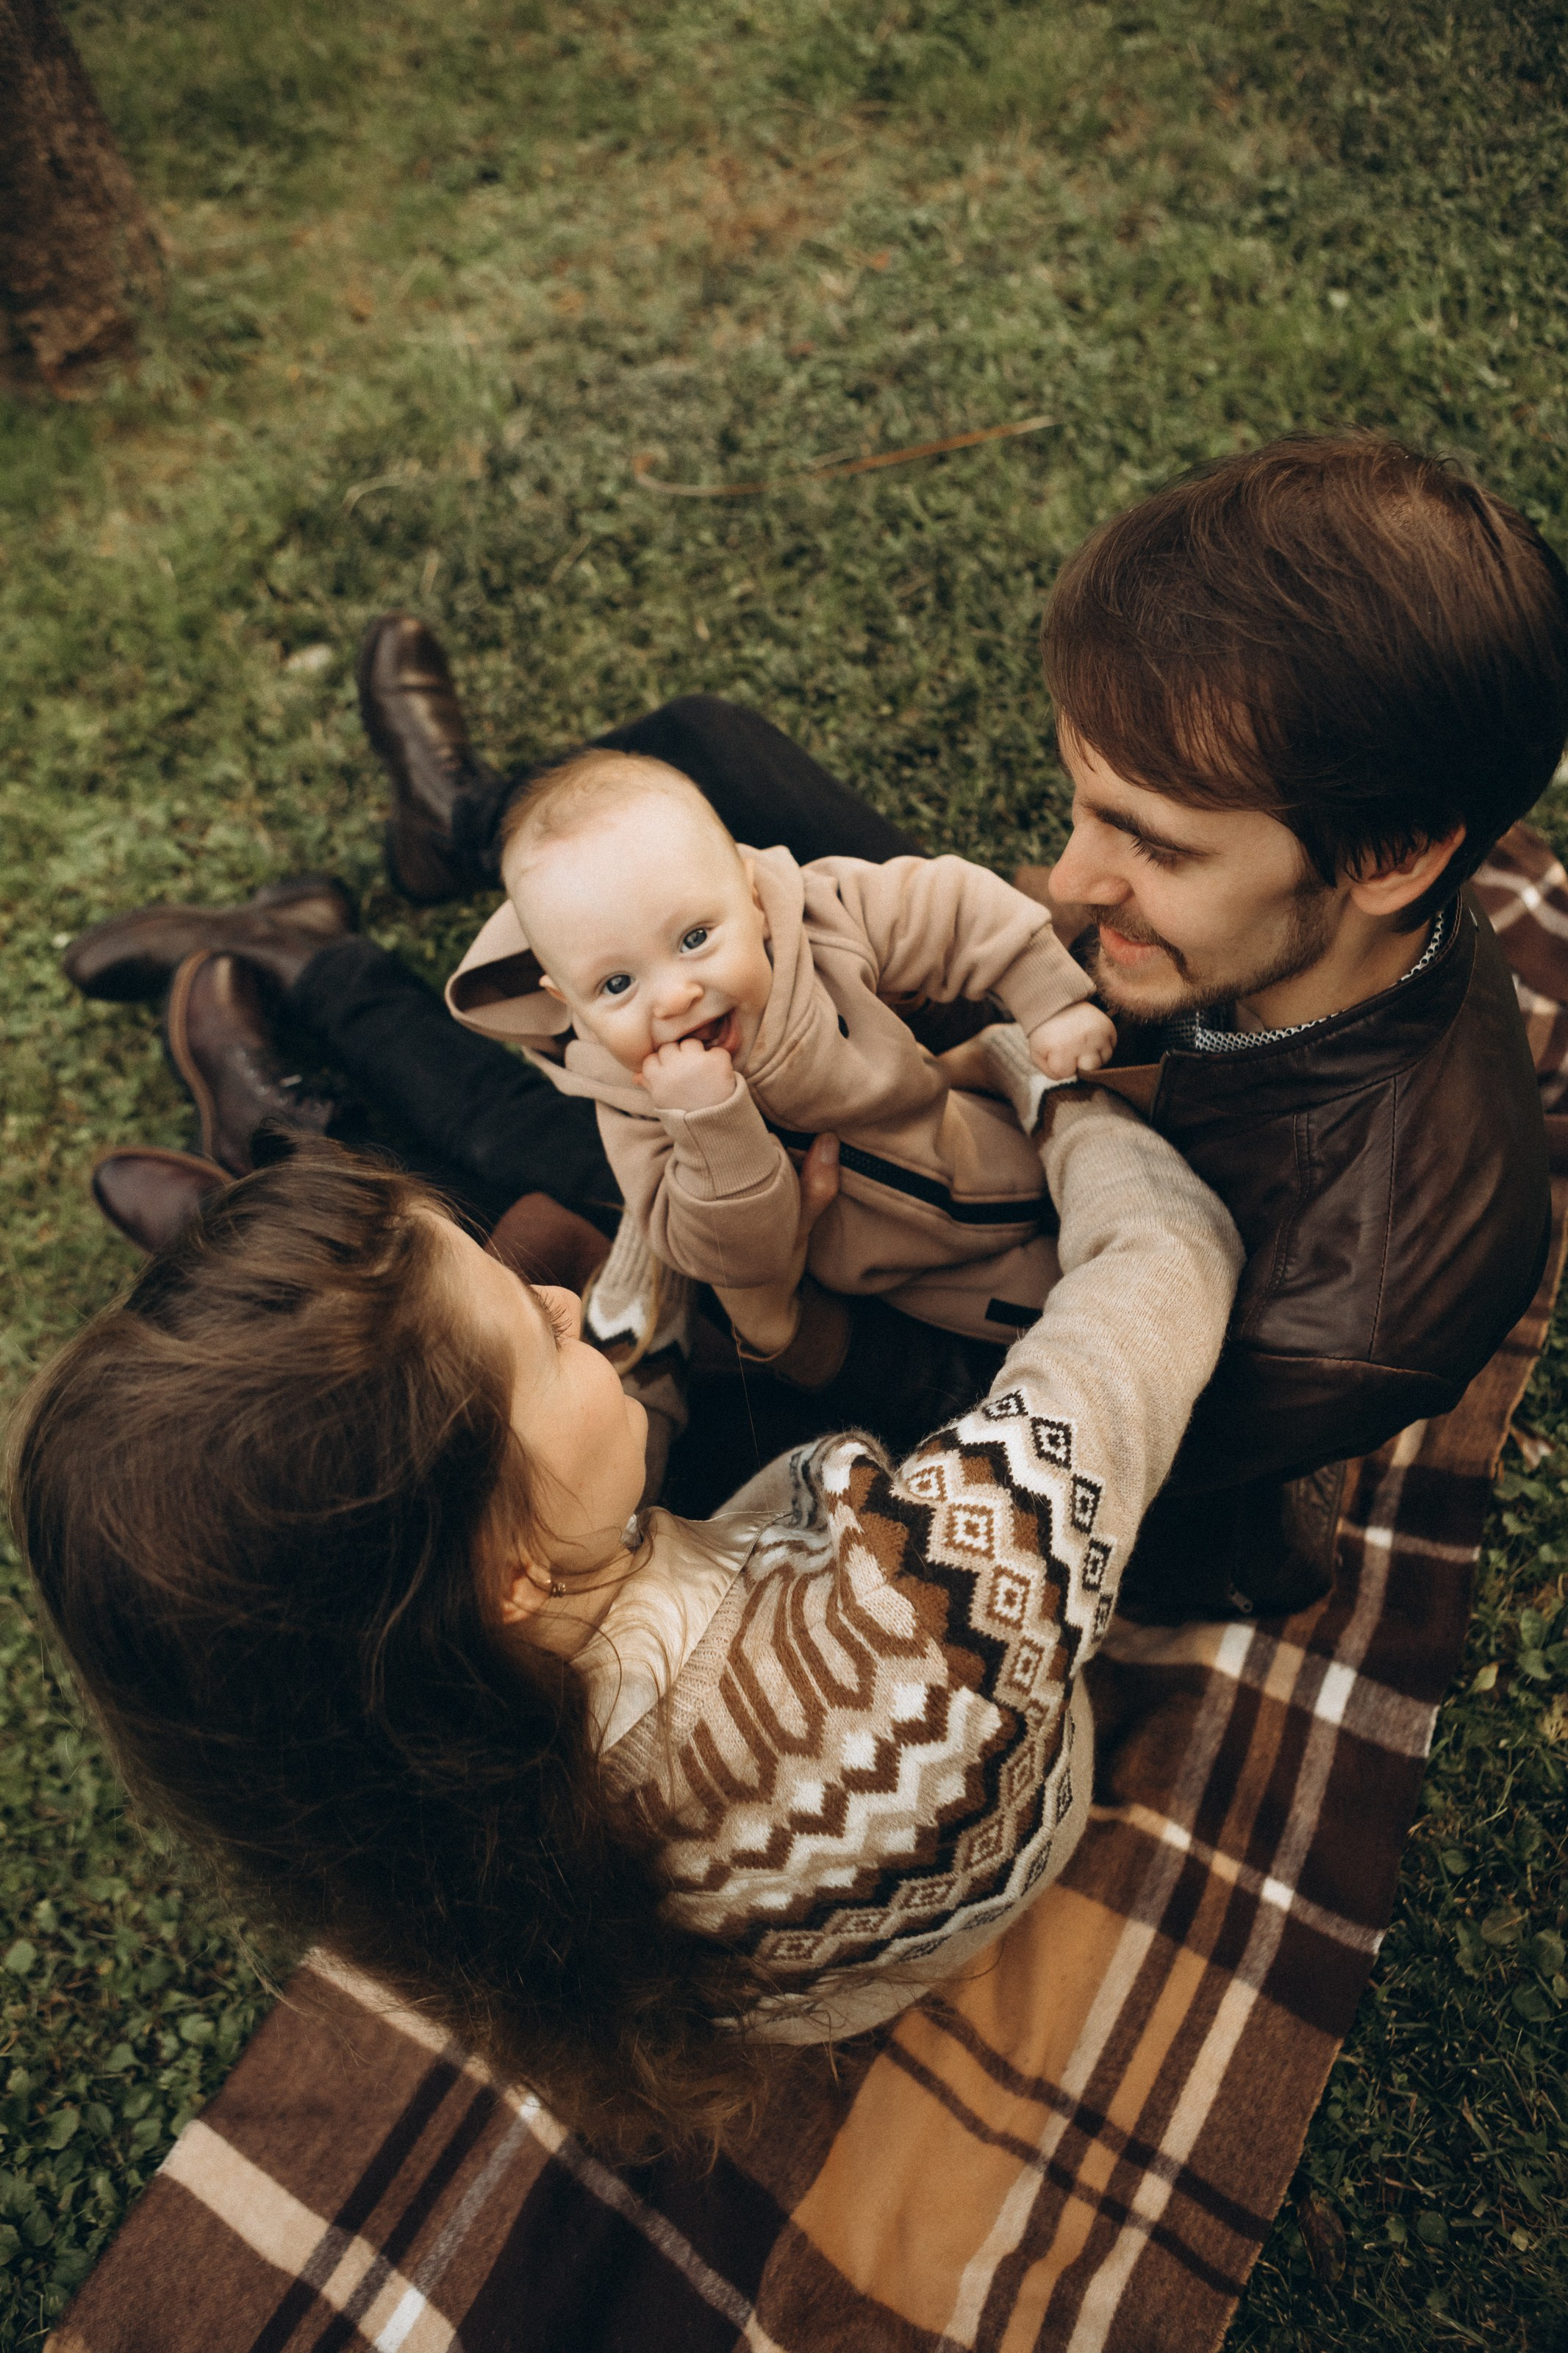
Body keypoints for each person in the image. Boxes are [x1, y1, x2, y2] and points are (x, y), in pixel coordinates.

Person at [62, 432, 1568, 1612]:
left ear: (1387, 857)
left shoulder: (1346, 1301)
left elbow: (1007, 1427)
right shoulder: (1270, 926)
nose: (1062, 875)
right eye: (1079, 807)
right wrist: (916, 976)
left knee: (604, 1167)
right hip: (971, 1106)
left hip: (923, 1324)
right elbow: (1012, 941)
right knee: (709, 758)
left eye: (1150, 842)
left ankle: (307, 1058)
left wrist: (790, 1327)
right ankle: (465, 827)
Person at [10, 1107, 1243, 2154]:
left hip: (800, 1982)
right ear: (506, 1570)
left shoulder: (383, 1796)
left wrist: (661, 1214)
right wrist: (1060, 1095)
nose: (560, 1303)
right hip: (1008, 1809)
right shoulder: (930, 1596)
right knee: (562, 1233)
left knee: (575, 1270)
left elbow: (596, 1414)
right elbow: (1165, 1257)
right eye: (540, 1331)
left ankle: (297, 1352)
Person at [448, 746, 1111, 1360]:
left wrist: (1046, 998)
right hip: (920, 1276)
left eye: (695, 938)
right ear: (567, 999)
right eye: (616, 985)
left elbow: (947, 907)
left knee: (1107, 1182)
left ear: (754, 899)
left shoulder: (820, 923)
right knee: (1077, 1320)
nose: (675, 997)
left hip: (978, 1138)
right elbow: (731, 1260)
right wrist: (711, 1127)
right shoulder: (633, 1105)